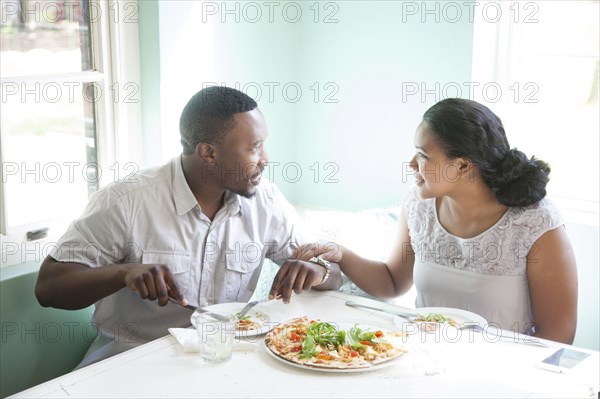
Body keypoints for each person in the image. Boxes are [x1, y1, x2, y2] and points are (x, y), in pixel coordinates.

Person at [35, 86, 342, 366]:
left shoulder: (265, 201)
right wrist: (123, 273)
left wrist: (318, 271)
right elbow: (49, 288)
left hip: (222, 364)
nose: (266, 159)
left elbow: (333, 273)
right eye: (254, 148)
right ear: (208, 153)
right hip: (130, 367)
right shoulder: (126, 201)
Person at [295, 98, 577, 344]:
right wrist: (341, 253)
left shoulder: (536, 223)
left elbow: (557, 334)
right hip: (424, 361)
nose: (411, 163)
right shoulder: (419, 204)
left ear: (463, 165)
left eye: (423, 155)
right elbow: (392, 282)